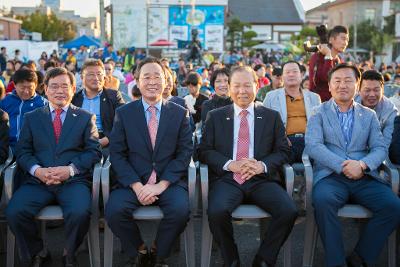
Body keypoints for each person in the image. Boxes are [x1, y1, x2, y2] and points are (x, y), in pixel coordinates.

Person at [199, 66, 297, 267]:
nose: (242, 91)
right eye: (236, 86)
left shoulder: (271, 116)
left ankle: (264, 258)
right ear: (229, 87)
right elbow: (204, 151)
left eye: (247, 85)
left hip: (261, 180)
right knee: (217, 211)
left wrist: (262, 165)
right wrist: (230, 164)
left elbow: (284, 151)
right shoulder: (216, 116)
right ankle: (231, 258)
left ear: (257, 85)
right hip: (229, 179)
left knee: (288, 210)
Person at [305, 63, 400, 267]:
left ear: (356, 86)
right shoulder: (317, 112)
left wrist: (363, 165)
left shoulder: (369, 115)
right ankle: (336, 262)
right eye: (337, 81)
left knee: (393, 207)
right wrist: (342, 165)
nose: (342, 85)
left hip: (363, 177)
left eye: (348, 81)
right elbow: (313, 146)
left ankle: (359, 258)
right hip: (330, 176)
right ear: (329, 86)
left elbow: (380, 148)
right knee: (323, 200)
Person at [6, 67, 102, 267]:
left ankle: (70, 252)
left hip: (73, 181)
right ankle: (38, 251)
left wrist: (70, 170)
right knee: (15, 212)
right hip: (38, 181)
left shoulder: (85, 118)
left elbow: (94, 151)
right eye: (54, 86)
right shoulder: (32, 117)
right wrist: (37, 171)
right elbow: (22, 151)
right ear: (45, 90)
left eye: (65, 86)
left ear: (73, 88)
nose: (60, 91)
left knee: (80, 212)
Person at [105, 57, 193, 267]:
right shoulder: (124, 113)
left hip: (167, 182)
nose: (152, 81)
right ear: (136, 81)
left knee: (180, 211)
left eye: (157, 76)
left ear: (166, 81)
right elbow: (117, 153)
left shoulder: (180, 114)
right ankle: (139, 250)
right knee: (114, 211)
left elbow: (184, 153)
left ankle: (158, 251)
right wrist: (137, 186)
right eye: (146, 77)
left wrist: (161, 185)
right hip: (134, 182)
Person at [264, 61, 321, 163]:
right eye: (287, 72)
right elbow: (264, 123)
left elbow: (320, 124)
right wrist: (281, 138)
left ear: (302, 75)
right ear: (282, 76)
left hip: (309, 141)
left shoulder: (314, 98)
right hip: (284, 142)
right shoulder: (271, 97)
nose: (291, 74)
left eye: (295, 71)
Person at [72, 59, 125, 155]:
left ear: (104, 77)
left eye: (99, 74)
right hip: (79, 142)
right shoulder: (74, 98)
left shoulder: (113, 96)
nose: (96, 78)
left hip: (106, 140)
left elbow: (123, 121)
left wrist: (107, 139)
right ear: (82, 77)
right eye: (91, 74)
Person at [0, 69, 47, 150]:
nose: (26, 91)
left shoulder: (44, 104)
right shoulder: (5, 101)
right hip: (7, 147)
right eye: (22, 87)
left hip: (32, 149)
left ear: (35, 85)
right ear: (14, 85)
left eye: (30, 87)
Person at [355, 70, 398, 148]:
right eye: (367, 90)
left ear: (383, 90)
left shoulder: (390, 110)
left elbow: (385, 143)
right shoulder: (349, 103)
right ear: (359, 90)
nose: (372, 94)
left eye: (376, 90)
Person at [309, 25, 349, 102]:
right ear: (331, 40)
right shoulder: (317, 57)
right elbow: (326, 77)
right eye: (343, 39)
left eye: (347, 40)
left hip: (336, 104)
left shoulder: (339, 60)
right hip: (319, 104)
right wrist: (328, 56)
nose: (345, 43)